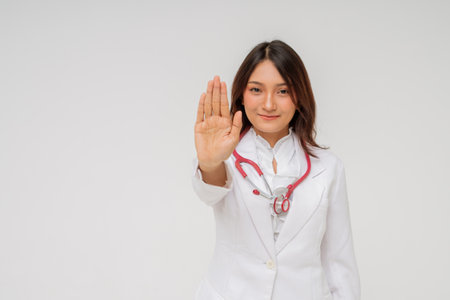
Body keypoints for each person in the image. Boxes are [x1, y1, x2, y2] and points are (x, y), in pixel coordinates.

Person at [192, 40, 360, 300]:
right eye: (256, 89)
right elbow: (210, 191)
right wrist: (211, 162)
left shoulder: (328, 168)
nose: (268, 104)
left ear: (299, 97)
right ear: (241, 95)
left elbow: (339, 262)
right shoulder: (225, 158)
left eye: (282, 91)